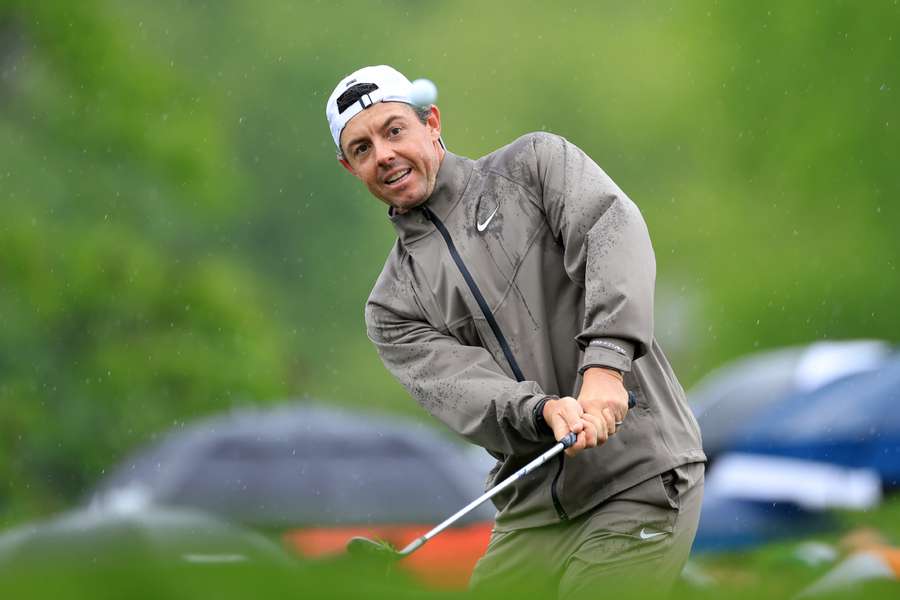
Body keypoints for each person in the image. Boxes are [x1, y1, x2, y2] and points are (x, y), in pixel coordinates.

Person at [325, 65, 706, 598]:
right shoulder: (391, 307)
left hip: (637, 477)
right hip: (530, 518)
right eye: (362, 148)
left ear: (431, 122)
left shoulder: (534, 165)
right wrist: (544, 410)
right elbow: (467, 393)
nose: (383, 153)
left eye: (394, 130)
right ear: (350, 168)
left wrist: (605, 364)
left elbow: (614, 235)